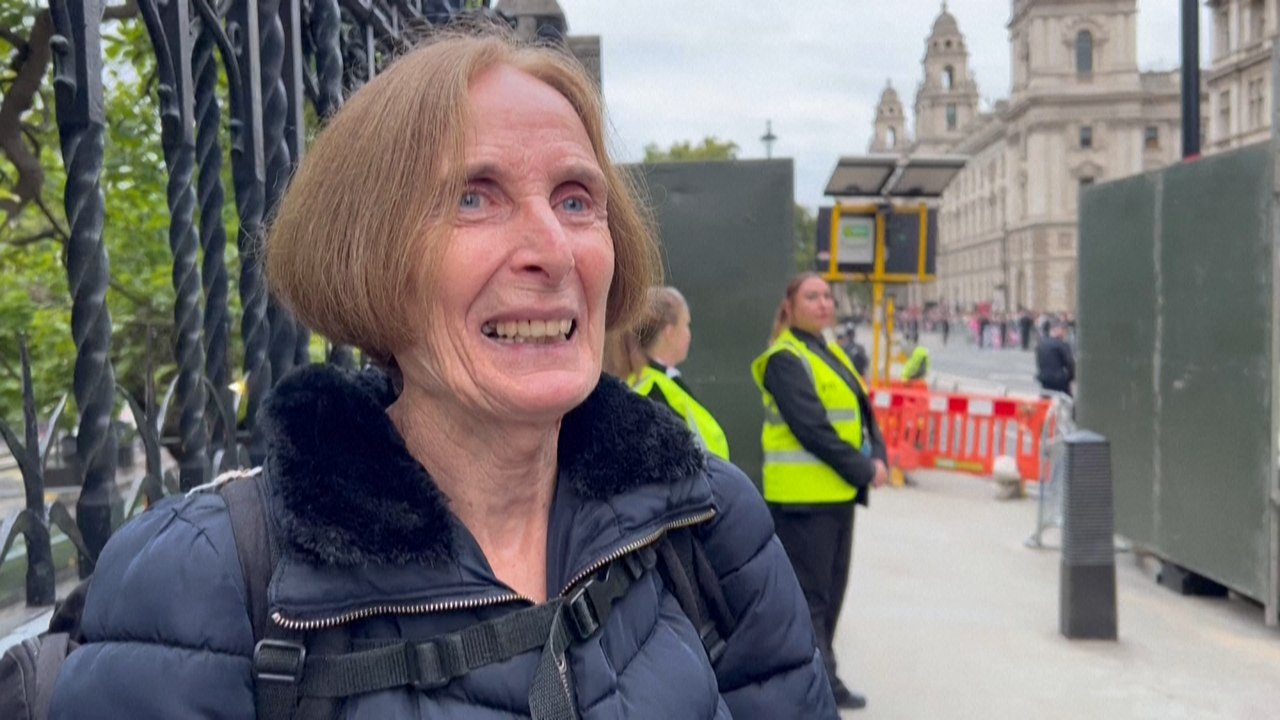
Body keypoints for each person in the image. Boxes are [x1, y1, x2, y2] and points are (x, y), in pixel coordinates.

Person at [51, 28, 836, 719]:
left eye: (575, 201)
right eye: (473, 197)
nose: (553, 251)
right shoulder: (205, 581)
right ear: (369, 256)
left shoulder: (705, 521)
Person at [751, 272, 889, 712]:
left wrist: (879, 454)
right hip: (803, 501)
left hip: (835, 496)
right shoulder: (784, 358)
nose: (824, 303)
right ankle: (819, 688)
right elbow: (812, 429)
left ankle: (825, 678)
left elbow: (862, 411)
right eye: (812, 296)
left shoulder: (828, 352)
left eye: (828, 296)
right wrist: (864, 468)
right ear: (790, 307)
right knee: (810, 600)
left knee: (829, 597)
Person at [604, 286, 730, 460]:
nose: (689, 335)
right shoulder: (654, 391)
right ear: (669, 331)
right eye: (686, 325)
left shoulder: (649, 382)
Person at [1036, 320, 1076, 398]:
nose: (1065, 333)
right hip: (1059, 380)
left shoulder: (1041, 343)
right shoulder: (1062, 345)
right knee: (1067, 399)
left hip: (1044, 378)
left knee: (1046, 398)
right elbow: (1070, 363)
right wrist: (1071, 377)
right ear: (1059, 330)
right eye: (1064, 330)